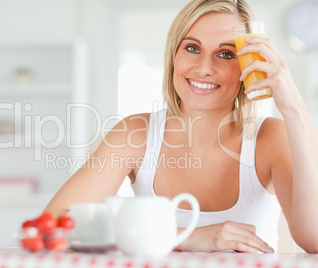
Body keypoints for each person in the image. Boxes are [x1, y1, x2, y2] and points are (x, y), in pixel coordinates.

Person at [44, 0, 318, 254]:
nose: (203, 67)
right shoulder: (135, 134)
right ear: (174, 56)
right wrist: (185, 236)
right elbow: (54, 223)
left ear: (247, 66)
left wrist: (292, 104)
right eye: (192, 48)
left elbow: (313, 239)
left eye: (225, 54)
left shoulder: (271, 138)